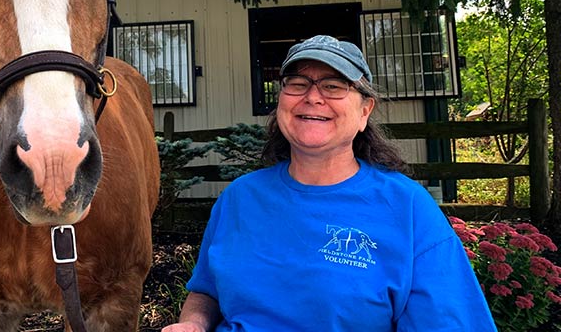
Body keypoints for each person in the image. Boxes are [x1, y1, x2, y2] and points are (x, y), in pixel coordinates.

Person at [162, 35, 496, 332]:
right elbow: (206, 290)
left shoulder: (408, 207)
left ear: (365, 110)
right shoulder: (239, 198)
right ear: (281, 101)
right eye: (297, 83)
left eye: (334, 86)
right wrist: (194, 322)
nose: (312, 97)